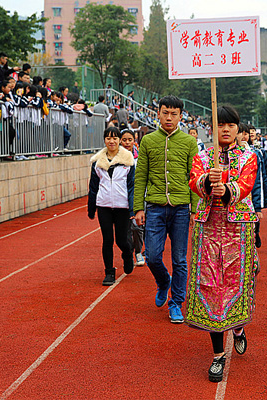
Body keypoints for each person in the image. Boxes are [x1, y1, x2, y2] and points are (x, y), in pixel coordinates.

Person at [185, 105, 258, 383]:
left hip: (238, 229)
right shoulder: (203, 156)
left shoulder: (248, 156)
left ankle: (237, 328)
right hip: (208, 228)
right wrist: (206, 180)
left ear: (238, 130)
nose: (225, 130)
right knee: (211, 286)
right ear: (212, 128)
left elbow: (247, 183)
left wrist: (227, 189)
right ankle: (217, 356)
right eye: (220, 125)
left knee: (235, 282)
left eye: (230, 125)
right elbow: (193, 181)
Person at [133, 95, 198, 324]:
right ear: (157, 114)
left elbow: (194, 178)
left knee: (180, 259)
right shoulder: (148, 141)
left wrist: (194, 210)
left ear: (181, 116)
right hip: (155, 208)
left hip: (181, 209)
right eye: (165, 113)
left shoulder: (189, 143)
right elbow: (140, 176)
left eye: (174, 114)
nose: (169, 117)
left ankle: (176, 303)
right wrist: (138, 207)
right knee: (151, 256)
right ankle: (163, 282)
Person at [88, 126, 135, 285]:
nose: (112, 141)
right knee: (107, 239)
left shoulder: (128, 160)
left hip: (122, 206)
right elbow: (93, 186)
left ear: (119, 140)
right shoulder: (97, 161)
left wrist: (133, 207)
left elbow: (131, 186)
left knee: (121, 240)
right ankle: (109, 272)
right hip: (104, 206)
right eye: (108, 138)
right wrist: (91, 207)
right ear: (104, 140)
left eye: (115, 138)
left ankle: (128, 253)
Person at [120, 129, 146, 267]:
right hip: (119, 197)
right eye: (124, 140)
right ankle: (128, 252)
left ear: (134, 141)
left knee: (137, 227)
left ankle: (138, 252)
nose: (127, 143)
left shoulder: (139, 157)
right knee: (124, 230)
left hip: (136, 196)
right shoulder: (115, 158)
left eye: (129, 140)